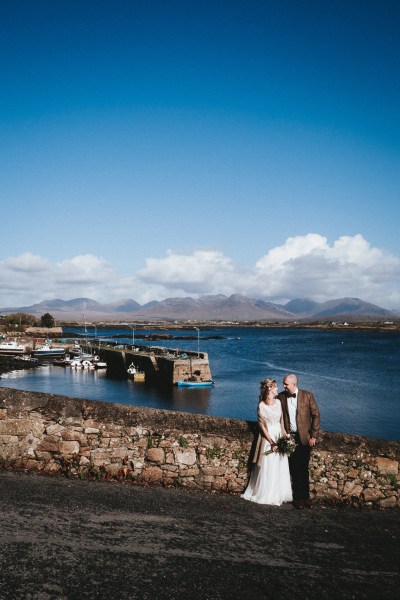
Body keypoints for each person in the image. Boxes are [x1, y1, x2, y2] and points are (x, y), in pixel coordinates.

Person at [241, 378, 292, 506]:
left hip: (279, 434)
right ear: (269, 389)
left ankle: (278, 493)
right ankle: (266, 493)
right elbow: (262, 427)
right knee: (269, 465)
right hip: (268, 438)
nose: (277, 389)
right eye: (275, 387)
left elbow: (281, 421)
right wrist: (272, 442)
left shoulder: (279, 402)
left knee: (280, 463)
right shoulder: (261, 406)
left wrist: (286, 436)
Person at [278, 373, 320, 509]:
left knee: (304, 468)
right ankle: (298, 499)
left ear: (294, 384)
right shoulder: (281, 397)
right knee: (294, 468)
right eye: (283, 384)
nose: (283, 386)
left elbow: (316, 415)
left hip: (305, 438)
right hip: (290, 438)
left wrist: (314, 436)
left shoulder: (307, 395)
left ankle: (306, 498)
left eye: (286, 384)